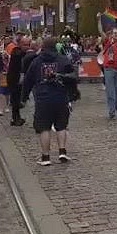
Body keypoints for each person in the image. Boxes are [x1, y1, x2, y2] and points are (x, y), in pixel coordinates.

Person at [22, 37, 78, 166]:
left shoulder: (36, 62)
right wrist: (72, 93)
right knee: (61, 125)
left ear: (43, 47)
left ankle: (45, 157)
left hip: (43, 98)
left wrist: (23, 98)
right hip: (60, 97)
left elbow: (28, 81)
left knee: (44, 128)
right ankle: (62, 151)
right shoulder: (63, 60)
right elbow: (73, 77)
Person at [5, 36, 31, 126]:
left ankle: (17, 117)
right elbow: (20, 56)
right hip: (14, 79)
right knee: (15, 100)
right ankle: (15, 118)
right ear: (19, 44)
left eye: (28, 45)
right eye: (24, 45)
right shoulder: (16, 51)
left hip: (19, 79)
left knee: (18, 99)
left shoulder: (23, 52)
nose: (26, 47)